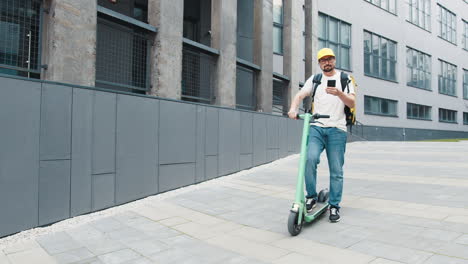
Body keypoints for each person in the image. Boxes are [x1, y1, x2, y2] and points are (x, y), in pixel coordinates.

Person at [287, 48, 356, 223]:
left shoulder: (344, 78)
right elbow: (301, 94)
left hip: (337, 130)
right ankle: (311, 196)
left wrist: (340, 93)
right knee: (309, 159)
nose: (327, 62)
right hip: (317, 127)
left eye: (329, 59)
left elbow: (352, 101)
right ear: (319, 63)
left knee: (336, 170)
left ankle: (334, 206)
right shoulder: (315, 79)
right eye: (323, 60)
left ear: (334, 60)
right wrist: (293, 108)